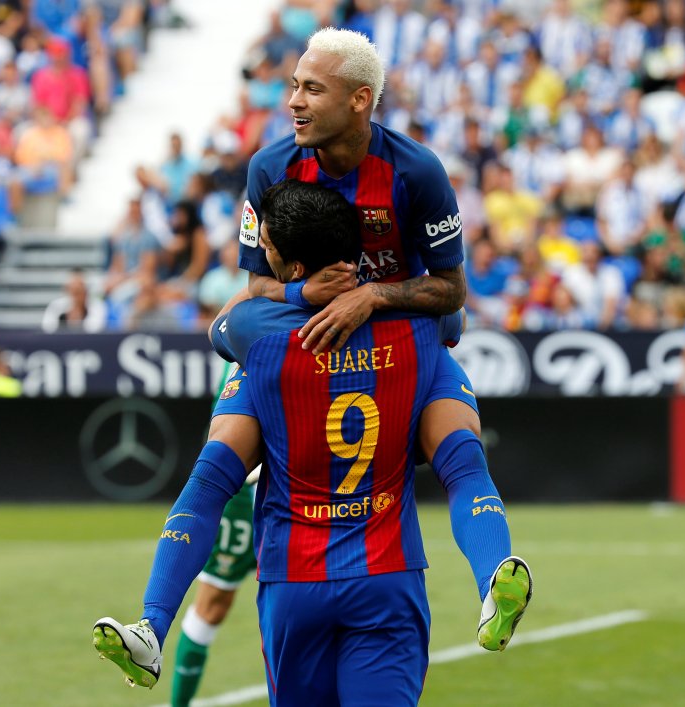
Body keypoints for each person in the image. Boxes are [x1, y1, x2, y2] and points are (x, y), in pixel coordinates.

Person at [93, 180, 532, 705]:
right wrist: (374, 291)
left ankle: (153, 623)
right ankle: (490, 581)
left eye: (269, 250)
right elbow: (451, 309)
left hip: (294, 577)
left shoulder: (259, 331)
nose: (262, 259)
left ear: (293, 264)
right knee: (464, 463)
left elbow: (223, 326)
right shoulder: (420, 323)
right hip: (385, 572)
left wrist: (295, 295)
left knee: (209, 479)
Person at [221, 24, 529, 656]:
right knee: (218, 460)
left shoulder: (416, 171)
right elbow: (254, 290)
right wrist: (306, 297)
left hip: (399, 348)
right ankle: (155, 622)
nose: (294, 102)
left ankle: (496, 582)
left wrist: (374, 295)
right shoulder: (268, 167)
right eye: (293, 87)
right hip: (305, 347)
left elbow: (452, 291)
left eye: (312, 88)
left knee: (462, 452)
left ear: (359, 100)